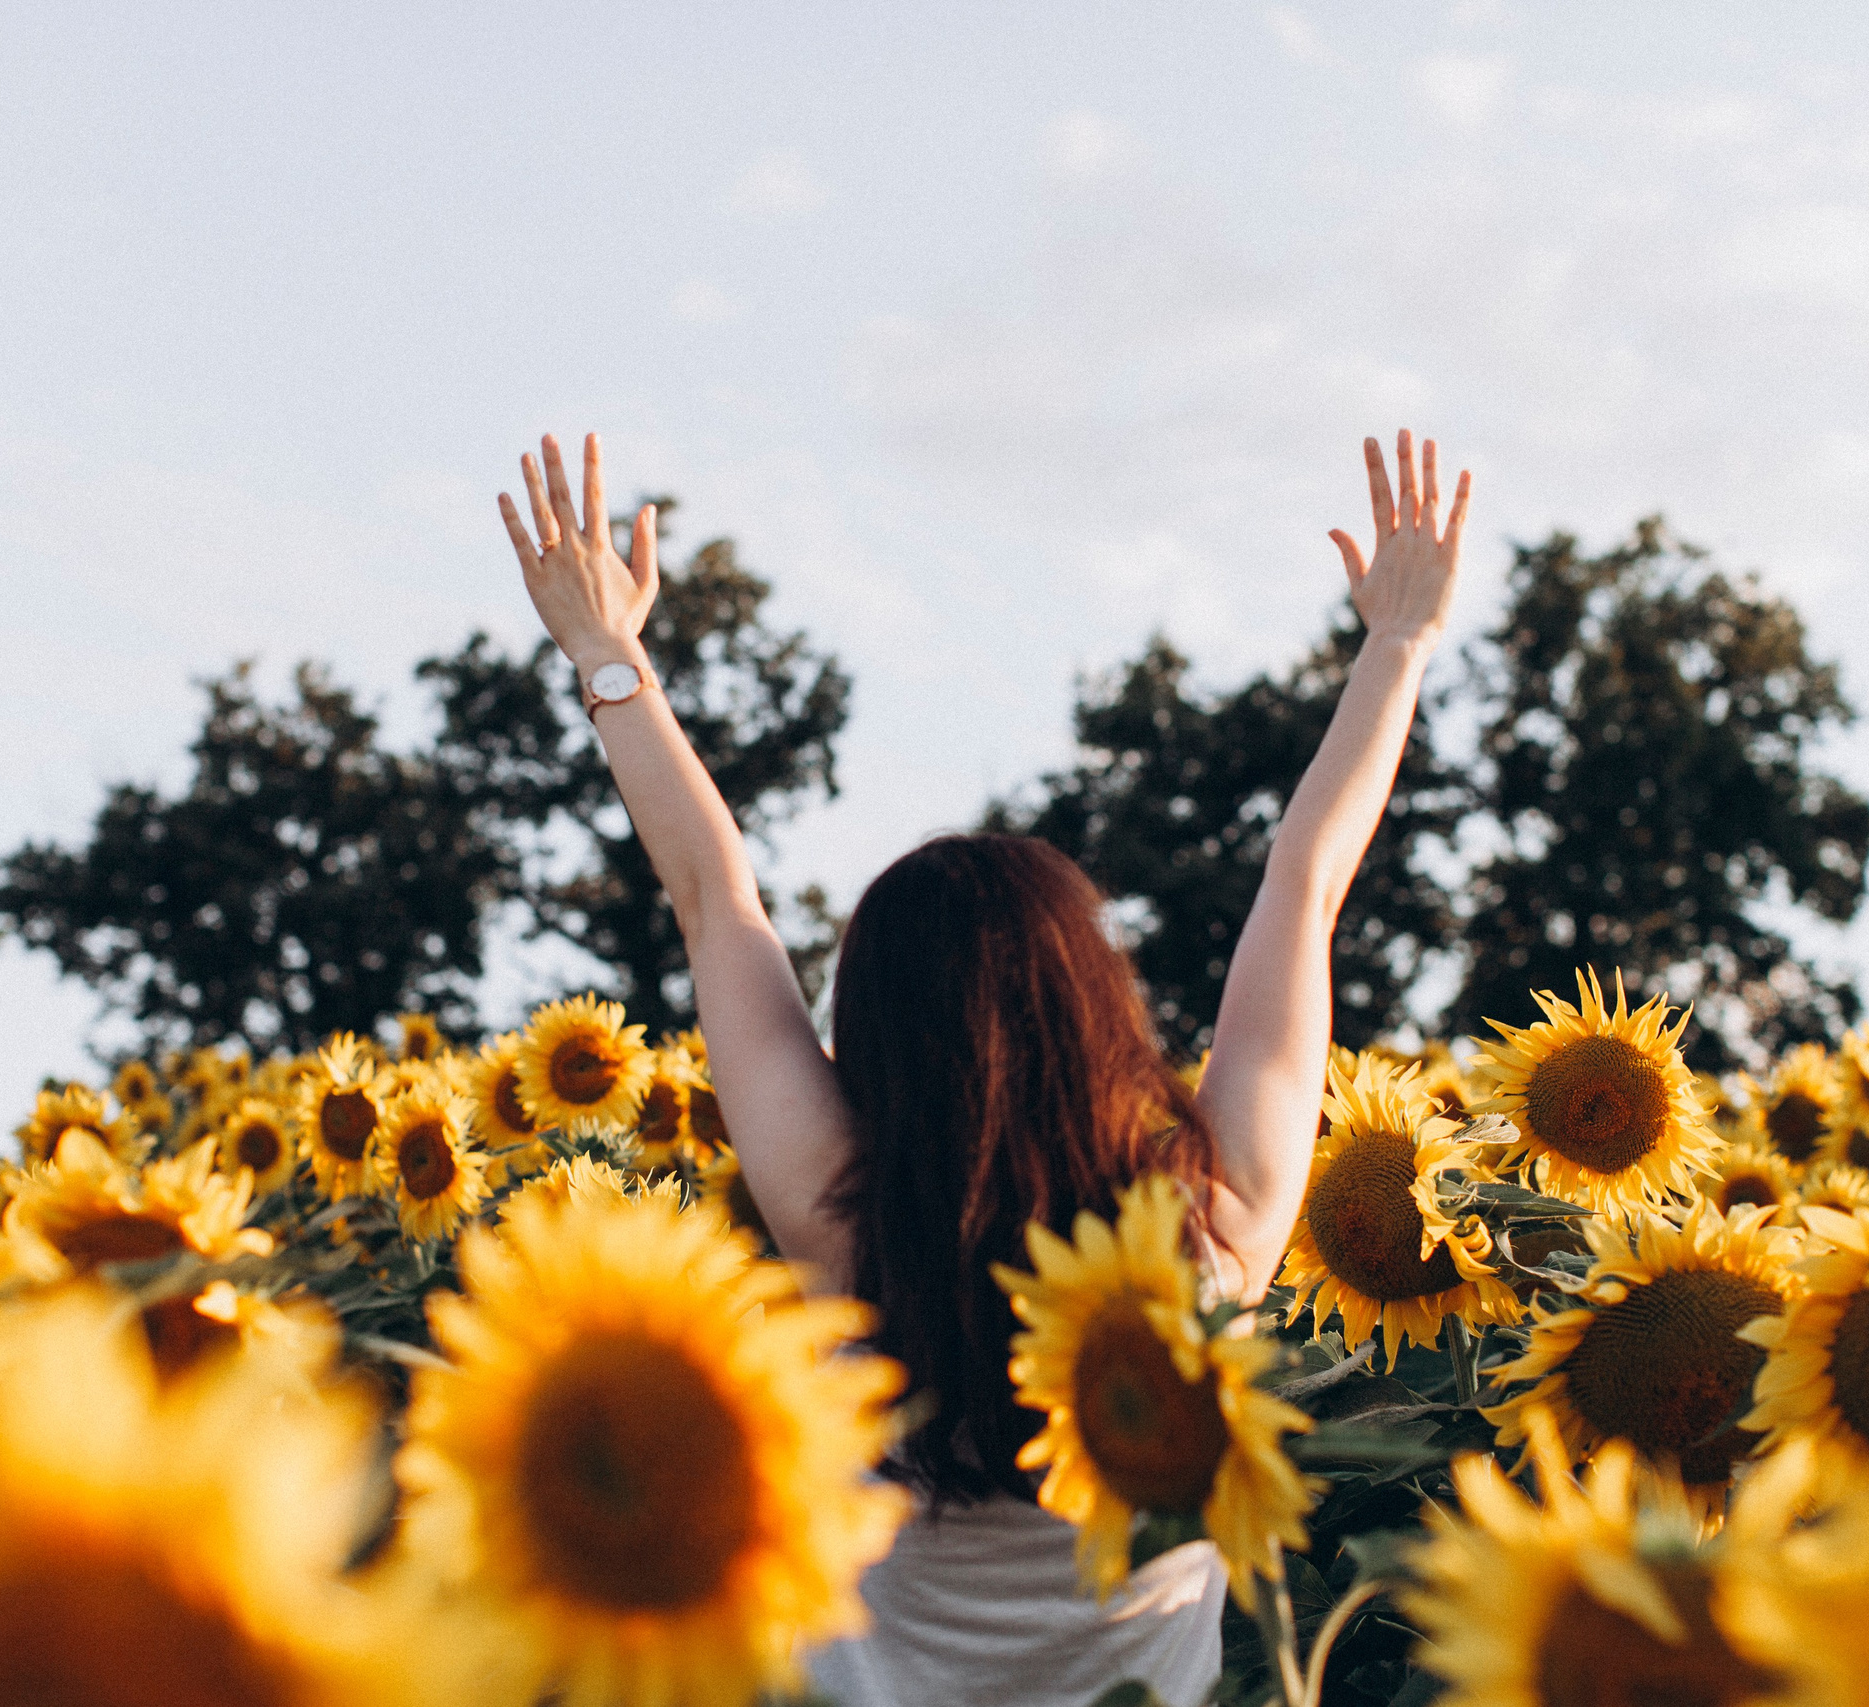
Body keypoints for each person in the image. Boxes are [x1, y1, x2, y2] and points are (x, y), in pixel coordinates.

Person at [497, 429, 1470, 1707]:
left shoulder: (847, 1240)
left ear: (876, 1041)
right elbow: (1308, 881)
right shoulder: (1213, 1238)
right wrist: (1396, 645)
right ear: (1098, 1013)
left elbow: (713, 898)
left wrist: (610, 660)